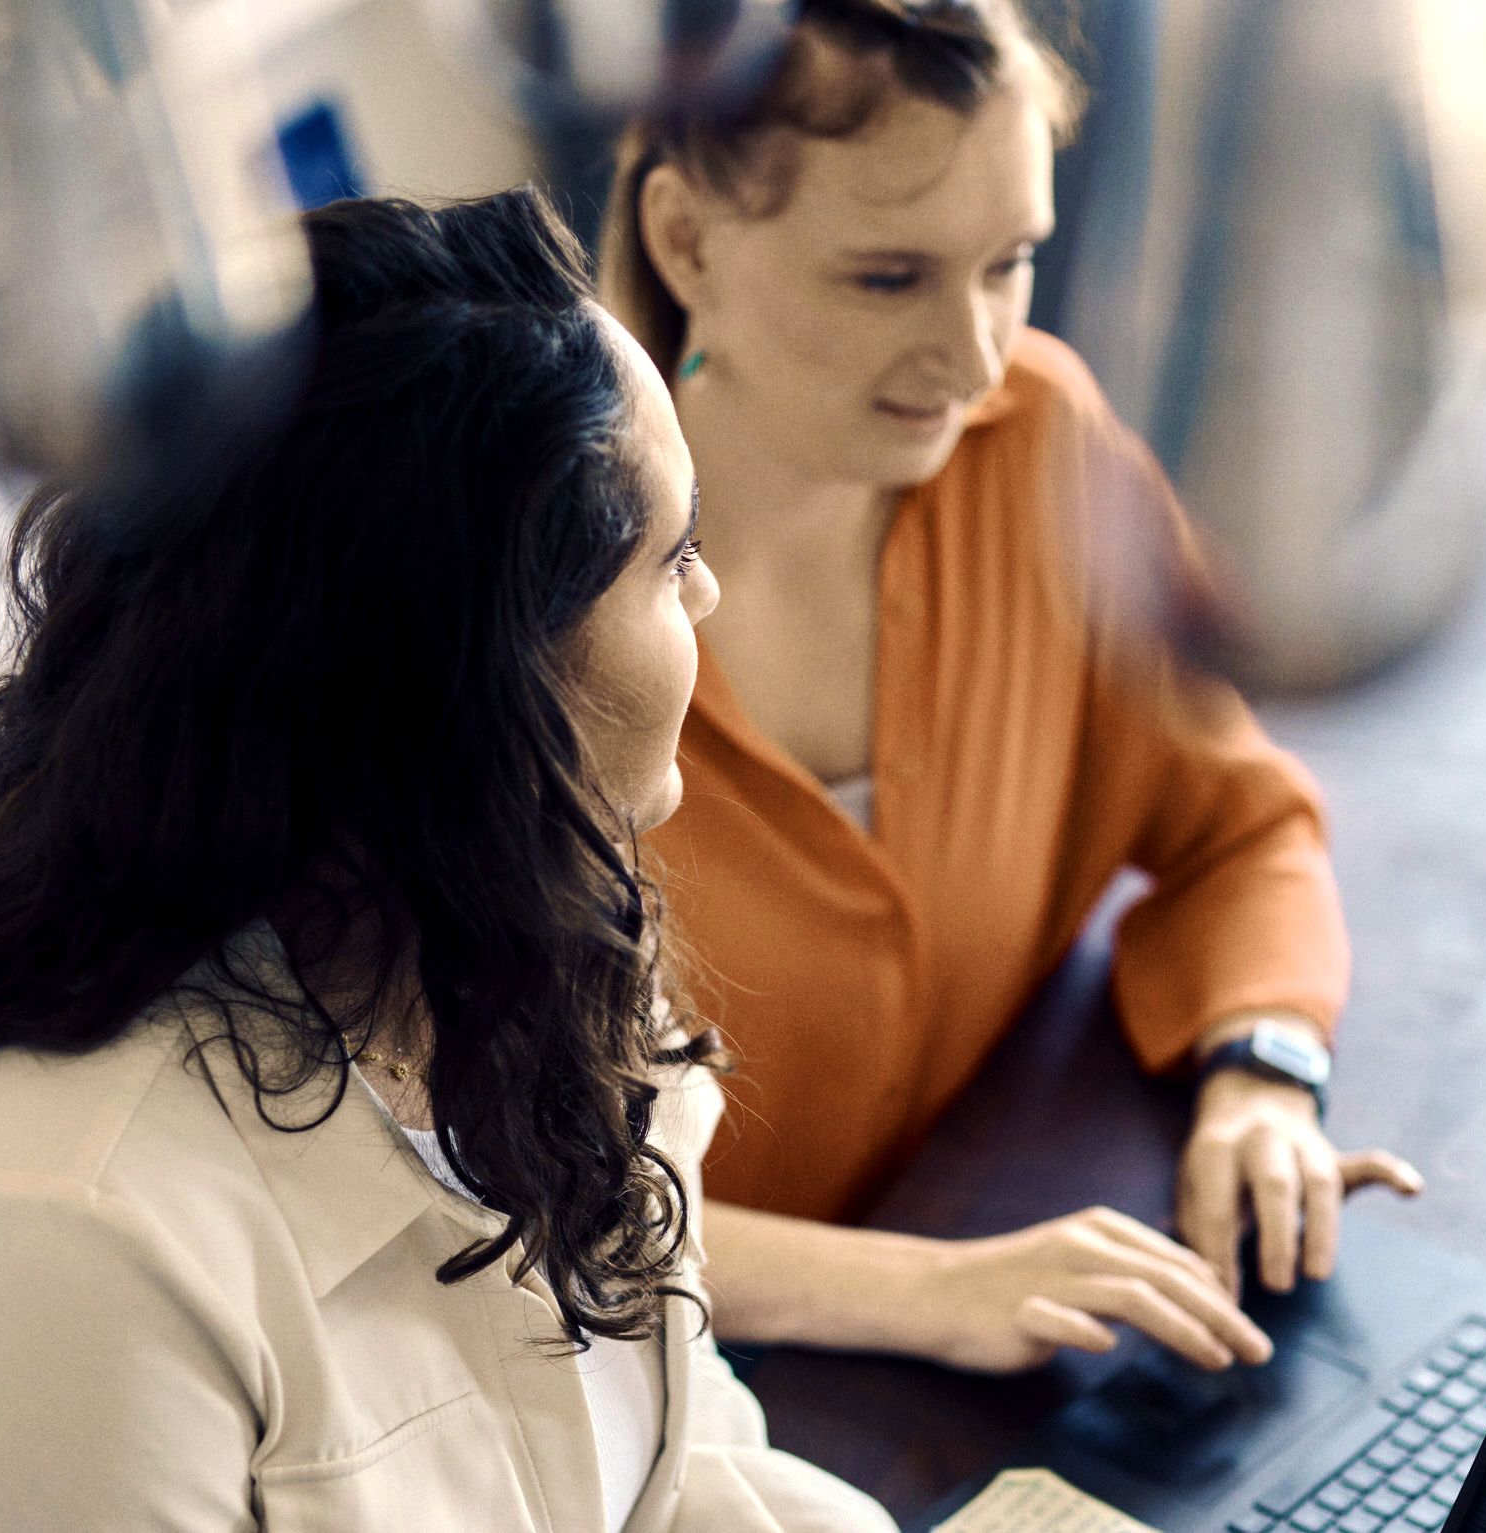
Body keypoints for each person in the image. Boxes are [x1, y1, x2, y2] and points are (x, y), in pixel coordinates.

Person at [0, 188, 890, 1533]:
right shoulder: (74, 1231)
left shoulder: (529, 954)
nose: (709, 596)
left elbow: (679, 1466)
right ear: (474, 692)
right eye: (670, 555)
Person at [599, 0, 1422, 1375]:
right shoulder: (529, 599)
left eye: (1011, 263)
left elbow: (1240, 826)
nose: (976, 355)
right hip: (656, 1403)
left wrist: (1263, 1074)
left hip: (997, 1320)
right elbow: (498, 1187)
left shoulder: (1042, 441)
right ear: (688, 240)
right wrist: (930, 1288)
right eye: (888, 277)